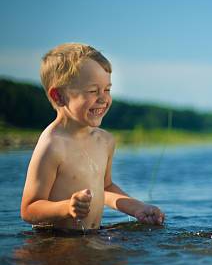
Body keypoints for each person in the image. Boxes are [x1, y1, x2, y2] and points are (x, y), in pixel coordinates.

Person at [20, 43, 164, 231]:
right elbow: (29, 209)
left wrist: (137, 207)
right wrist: (66, 207)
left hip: (93, 236)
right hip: (56, 242)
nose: (103, 99)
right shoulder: (52, 145)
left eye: (107, 90)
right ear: (58, 96)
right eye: (93, 91)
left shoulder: (105, 141)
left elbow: (105, 187)